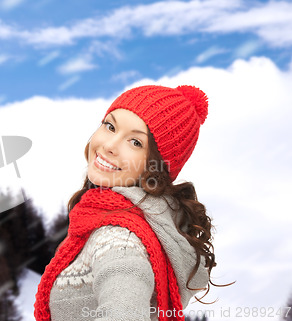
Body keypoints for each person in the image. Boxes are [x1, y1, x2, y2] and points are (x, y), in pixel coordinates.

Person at [34, 85, 227, 321]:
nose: (109, 146)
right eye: (110, 126)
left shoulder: (119, 240)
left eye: (135, 142)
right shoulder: (138, 223)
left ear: (156, 167)